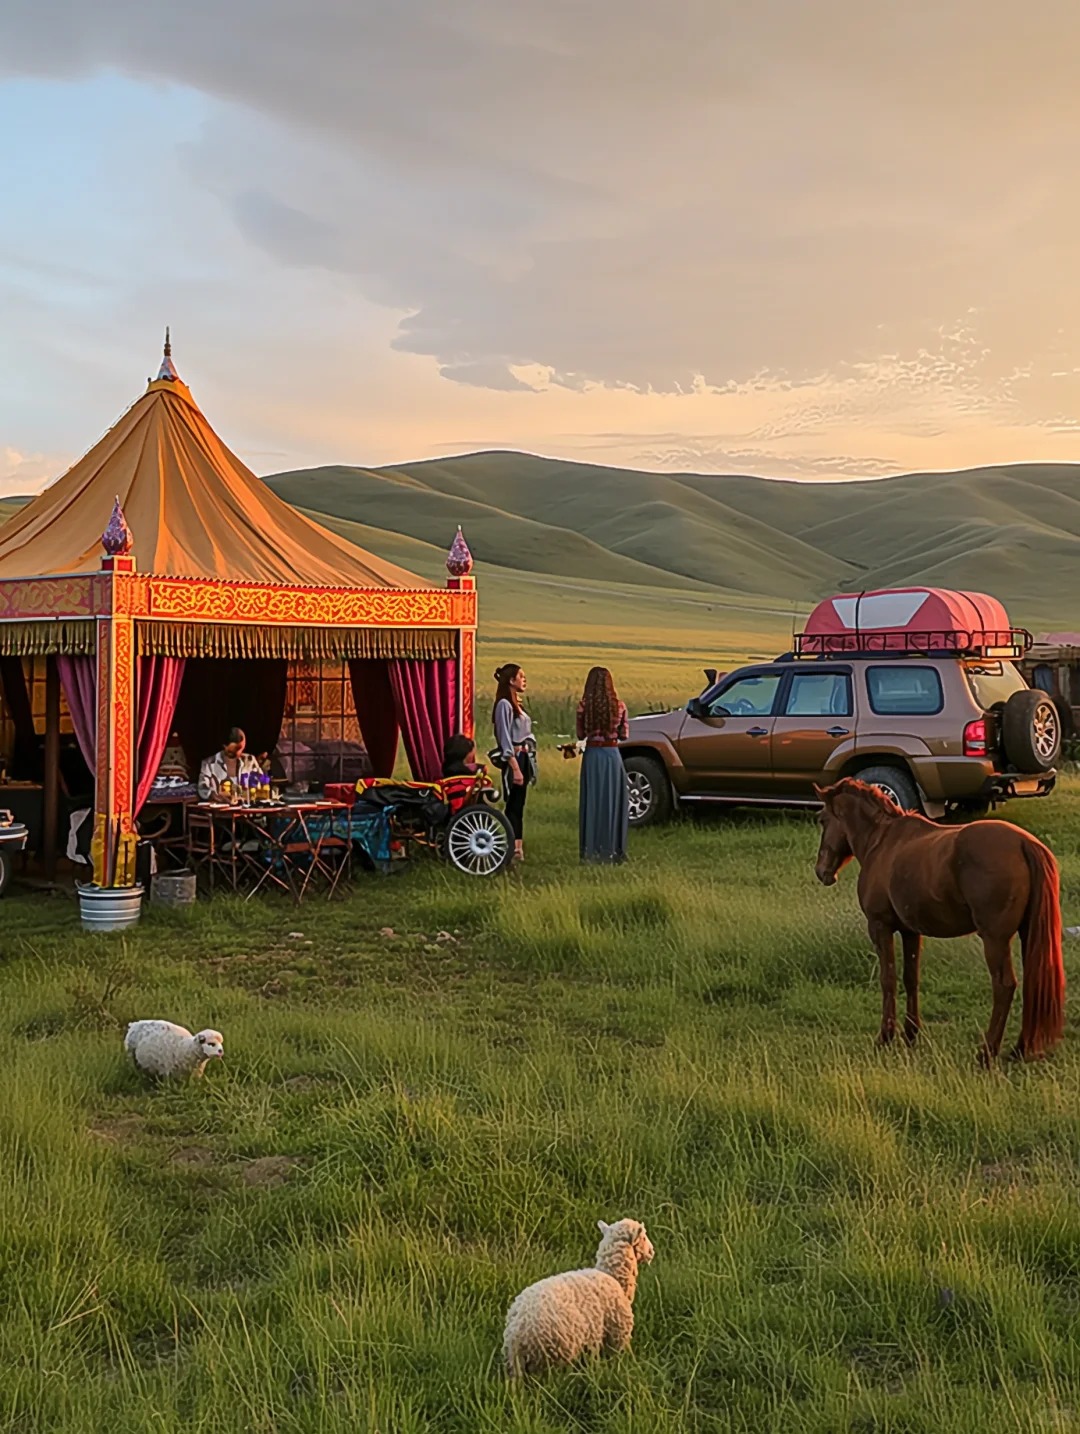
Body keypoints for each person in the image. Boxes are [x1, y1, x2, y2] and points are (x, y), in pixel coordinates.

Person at [576, 667, 630, 864]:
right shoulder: (620, 706)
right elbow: (625, 735)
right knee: (613, 802)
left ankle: (591, 850)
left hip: (592, 756)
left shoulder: (583, 706)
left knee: (592, 803)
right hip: (612, 755)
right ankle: (613, 850)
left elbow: (580, 735)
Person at [492, 664, 534, 863]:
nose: (524, 680)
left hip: (524, 756)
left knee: (519, 803)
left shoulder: (516, 704)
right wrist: (515, 767)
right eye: (521, 676)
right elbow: (505, 737)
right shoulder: (504, 705)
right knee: (513, 805)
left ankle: (517, 846)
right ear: (511, 680)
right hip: (514, 758)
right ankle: (512, 847)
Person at [197, 726, 263, 800]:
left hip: (247, 809)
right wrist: (216, 796)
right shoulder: (209, 764)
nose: (238, 753)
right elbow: (202, 787)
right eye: (232, 752)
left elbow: (262, 783)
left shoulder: (249, 760)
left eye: (240, 749)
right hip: (219, 810)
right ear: (224, 746)